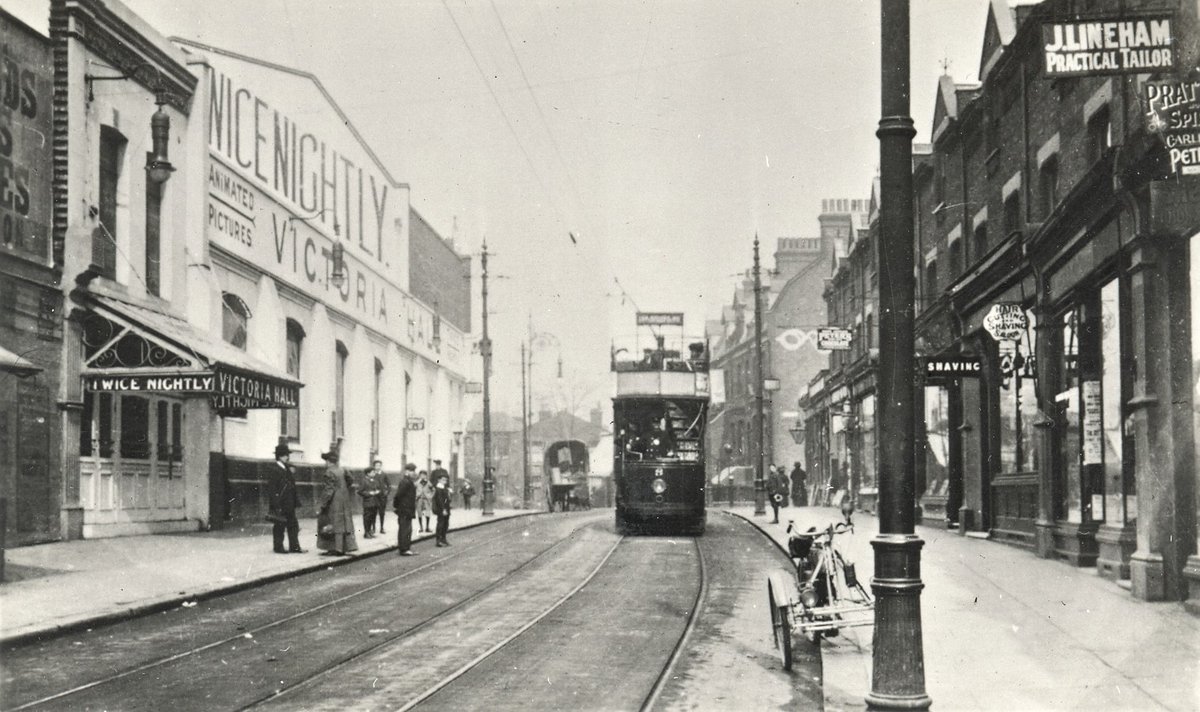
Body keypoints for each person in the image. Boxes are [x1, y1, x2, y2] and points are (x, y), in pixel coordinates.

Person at [316, 443, 358, 556]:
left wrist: (321, 504)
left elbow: (328, 490)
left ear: (328, 461)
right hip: (344, 498)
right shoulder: (342, 469)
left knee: (332, 523)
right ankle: (343, 548)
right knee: (343, 523)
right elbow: (350, 480)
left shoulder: (329, 471)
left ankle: (335, 549)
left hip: (334, 500)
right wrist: (343, 488)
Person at [267, 440, 305, 554]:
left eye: (287, 455)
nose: (287, 457)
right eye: (285, 455)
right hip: (280, 503)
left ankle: (295, 546)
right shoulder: (274, 470)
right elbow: (272, 489)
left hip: (290, 503)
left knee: (293, 525)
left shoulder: (286, 468)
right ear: (279, 456)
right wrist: (276, 504)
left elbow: (292, 486)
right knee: (279, 525)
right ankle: (278, 547)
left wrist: (295, 501)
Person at [393, 463, 417, 556]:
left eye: (414, 471)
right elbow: (398, 495)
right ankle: (404, 549)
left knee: (407, 529)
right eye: (412, 471)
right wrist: (397, 506)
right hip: (405, 509)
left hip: (407, 509)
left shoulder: (408, 481)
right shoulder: (405, 482)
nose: (414, 473)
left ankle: (406, 547)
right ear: (407, 471)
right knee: (405, 529)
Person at [359, 459, 386, 538]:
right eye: (373, 472)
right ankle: (366, 532)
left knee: (372, 517)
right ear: (368, 473)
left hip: (375, 502)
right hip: (368, 503)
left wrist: (377, 491)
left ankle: (370, 531)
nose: (374, 473)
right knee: (367, 518)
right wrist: (369, 493)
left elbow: (379, 488)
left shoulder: (375, 480)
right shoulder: (364, 481)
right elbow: (360, 491)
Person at [433, 476, 452, 546]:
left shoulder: (444, 488)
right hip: (441, 509)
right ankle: (439, 540)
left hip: (446, 508)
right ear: (439, 480)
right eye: (443, 480)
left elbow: (447, 499)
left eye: (446, 480)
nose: (445, 481)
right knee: (440, 524)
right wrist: (443, 509)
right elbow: (440, 500)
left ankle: (443, 539)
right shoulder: (438, 489)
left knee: (445, 524)